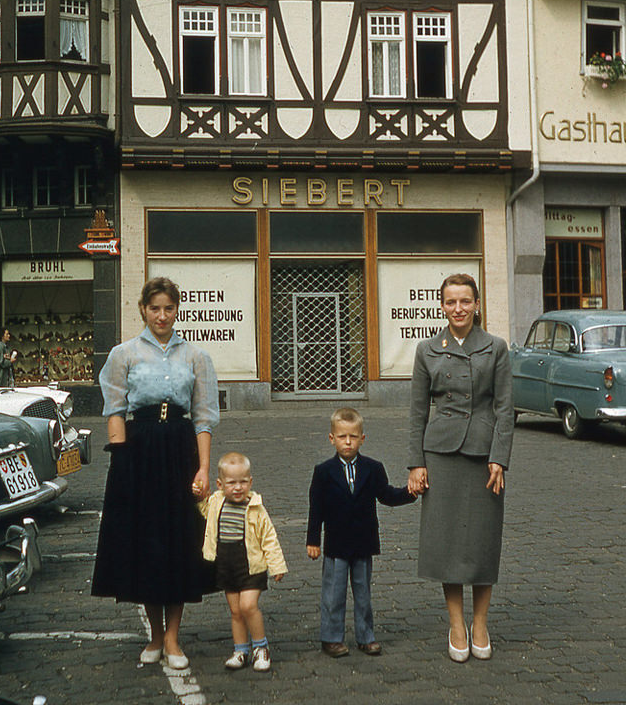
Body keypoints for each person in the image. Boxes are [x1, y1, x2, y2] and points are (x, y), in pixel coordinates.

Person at [91, 277, 219, 670]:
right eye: (154, 308)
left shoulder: (196, 357)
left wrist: (202, 468)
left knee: (180, 541)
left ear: (177, 310)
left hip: (180, 448)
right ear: (143, 310)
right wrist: (121, 460)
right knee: (146, 541)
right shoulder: (123, 354)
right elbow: (115, 408)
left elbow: (203, 417)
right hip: (139, 452)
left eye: (168, 308)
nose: (162, 316)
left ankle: (174, 638)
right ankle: (153, 636)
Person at [407, 273, 513, 663]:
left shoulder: (496, 348)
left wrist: (500, 457)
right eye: (450, 302)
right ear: (442, 306)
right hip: (441, 455)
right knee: (447, 544)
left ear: (477, 304)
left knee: (482, 542)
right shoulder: (427, 350)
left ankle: (480, 623)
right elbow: (417, 412)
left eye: (465, 301)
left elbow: (505, 409)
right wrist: (415, 463)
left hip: (485, 458)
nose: (458, 309)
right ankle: (456, 624)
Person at [307, 407, 416, 658]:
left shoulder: (373, 468)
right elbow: (317, 508)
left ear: (362, 438)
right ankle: (331, 637)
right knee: (333, 594)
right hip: (335, 544)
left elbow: (386, 495)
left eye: (353, 437)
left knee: (363, 593)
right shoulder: (323, 472)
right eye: (342, 436)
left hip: (364, 542)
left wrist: (410, 493)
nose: (348, 442)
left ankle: (366, 636)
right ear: (332, 438)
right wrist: (313, 539)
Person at [201, 451, 287, 672]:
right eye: (231, 483)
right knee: (236, 611)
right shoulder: (216, 502)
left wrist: (276, 565)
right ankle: (241, 650)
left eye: (242, 482)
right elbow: (203, 511)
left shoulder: (256, 508)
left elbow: (269, 537)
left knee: (248, 606)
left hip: (251, 566)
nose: (237, 487)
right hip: (226, 565)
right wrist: (198, 495)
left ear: (250, 482)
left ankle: (261, 647)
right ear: (220, 484)